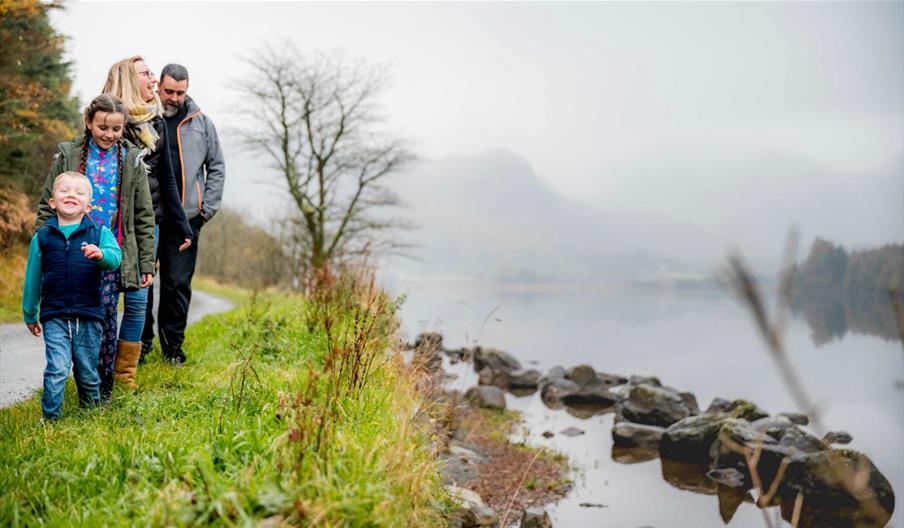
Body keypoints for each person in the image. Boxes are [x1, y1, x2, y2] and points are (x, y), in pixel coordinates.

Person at [37, 94, 156, 399]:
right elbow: (45, 206)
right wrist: (44, 243)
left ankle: (99, 388)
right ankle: (69, 380)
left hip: (107, 254)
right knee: (67, 320)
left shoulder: (131, 159)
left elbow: (143, 215)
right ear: (89, 122)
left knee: (101, 322)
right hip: (67, 253)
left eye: (116, 129)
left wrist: (145, 262)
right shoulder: (68, 155)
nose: (108, 134)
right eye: (102, 127)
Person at [101, 56, 193, 365]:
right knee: (106, 295)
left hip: (147, 221)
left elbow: (167, 177)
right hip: (108, 223)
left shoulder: (155, 122)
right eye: (147, 73)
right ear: (129, 78)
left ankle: (127, 369)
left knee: (139, 295)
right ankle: (99, 365)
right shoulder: (107, 122)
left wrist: (182, 224)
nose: (153, 78)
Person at [143, 63, 225, 364]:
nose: (174, 97)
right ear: (158, 87)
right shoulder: (145, 119)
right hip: (148, 216)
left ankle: (172, 349)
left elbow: (216, 166)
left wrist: (206, 210)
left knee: (177, 284)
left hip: (187, 219)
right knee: (143, 282)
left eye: (180, 92)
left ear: (186, 91)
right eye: (168, 91)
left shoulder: (202, 124)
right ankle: (141, 345)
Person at [24, 172, 123, 420]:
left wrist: (101, 255)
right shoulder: (43, 237)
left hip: (89, 315)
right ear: (53, 202)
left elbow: (115, 258)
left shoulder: (99, 233)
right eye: (64, 190)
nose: (71, 195)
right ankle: (50, 419)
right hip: (54, 315)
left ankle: (90, 417)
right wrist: (29, 312)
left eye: (79, 192)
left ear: (88, 205)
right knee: (57, 368)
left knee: (87, 371)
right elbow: (33, 278)